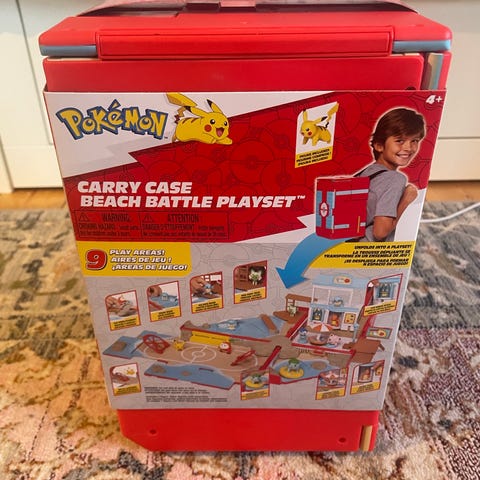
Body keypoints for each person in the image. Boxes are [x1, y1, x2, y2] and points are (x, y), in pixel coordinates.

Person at [357, 107, 425, 242]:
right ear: (379, 146)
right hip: (369, 251)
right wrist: (406, 200)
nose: (408, 148)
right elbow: (380, 232)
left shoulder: (367, 172)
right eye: (400, 141)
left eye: (414, 141)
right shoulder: (394, 179)